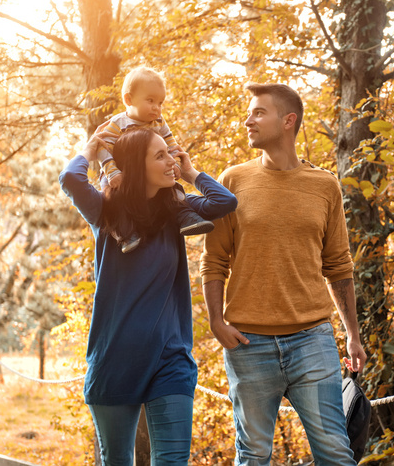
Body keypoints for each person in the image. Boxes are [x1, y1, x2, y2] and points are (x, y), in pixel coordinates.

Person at [200, 82, 367, 465]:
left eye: (259, 112)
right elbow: (214, 259)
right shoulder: (233, 182)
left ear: (288, 121)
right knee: (254, 455)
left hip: (313, 341)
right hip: (248, 344)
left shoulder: (325, 186)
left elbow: (338, 266)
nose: (248, 120)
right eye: (249, 112)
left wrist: (352, 336)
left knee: (336, 454)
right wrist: (215, 321)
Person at [59, 127, 237, 465]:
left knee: (172, 461)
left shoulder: (177, 212)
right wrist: (91, 149)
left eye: (169, 154)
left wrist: (189, 172)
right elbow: (70, 178)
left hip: (170, 359)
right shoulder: (106, 212)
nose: (170, 160)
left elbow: (224, 202)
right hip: (114, 358)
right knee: (118, 460)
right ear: (135, 167)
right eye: (160, 156)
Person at [96, 66, 214, 252]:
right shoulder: (118, 123)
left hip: (148, 173)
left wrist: (174, 163)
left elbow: (171, 144)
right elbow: (102, 148)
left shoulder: (159, 122)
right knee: (111, 196)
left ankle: (185, 216)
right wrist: (112, 172)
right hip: (118, 171)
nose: (156, 108)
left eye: (160, 102)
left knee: (174, 187)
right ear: (129, 99)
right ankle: (123, 231)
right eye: (150, 100)